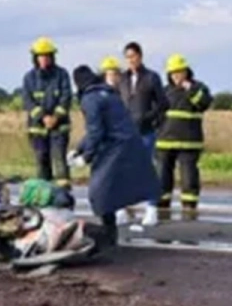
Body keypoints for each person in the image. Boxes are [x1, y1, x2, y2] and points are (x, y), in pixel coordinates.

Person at [66, 65, 161, 247]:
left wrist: (85, 157)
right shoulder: (109, 93)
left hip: (115, 147)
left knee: (100, 191)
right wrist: (79, 148)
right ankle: (111, 233)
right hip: (128, 145)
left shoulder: (90, 99)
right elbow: (97, 129)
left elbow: (96, 131)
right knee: (111, 189)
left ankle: (109, 234)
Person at [155, 53, 214, 220]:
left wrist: (190, 88)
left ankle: (189, 209)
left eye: (180, 72)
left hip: (189, 143)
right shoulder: (165, 91)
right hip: (165, 142)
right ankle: (162, 207)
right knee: (162, 177)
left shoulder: (198, 88)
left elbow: (205, 103)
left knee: (189, 177)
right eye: (173, 73)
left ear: (187, 72)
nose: (177, 77)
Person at [118, 42, 167, 226]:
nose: (131, 60)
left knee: (147, 170)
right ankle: (122, 209)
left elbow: (163, 104)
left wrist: (150, 118)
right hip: (125, 133)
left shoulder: (152, 77)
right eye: (128, 57)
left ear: (140, 56)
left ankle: (151, 209)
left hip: (146, 132)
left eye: (133, 56)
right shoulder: (122, 79)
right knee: (123, 171)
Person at [22, 37, 74, 191]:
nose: (44, 59)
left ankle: (64, 196)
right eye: (40, 56)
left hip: (59, 128)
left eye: (47, 55)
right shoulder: (29, 78)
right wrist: (43, 117)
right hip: (37, 130)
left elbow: (66, 97)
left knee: (59, 161)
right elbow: (28, 101)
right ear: (35, 58)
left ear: (52, 56)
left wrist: (55, 117)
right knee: (41, 161)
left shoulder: (62, 75)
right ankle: (45, 197)